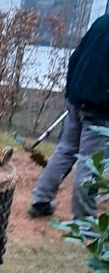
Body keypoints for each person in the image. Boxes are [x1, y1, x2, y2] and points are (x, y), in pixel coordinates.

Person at [29, 13, 109, 220]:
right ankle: (84, 218)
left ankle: (40, 201)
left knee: (65, 150)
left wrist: (71, 92)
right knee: (91, 162)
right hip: (100, 107)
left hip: (76, 98)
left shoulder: (102, 22)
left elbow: (75, 58)